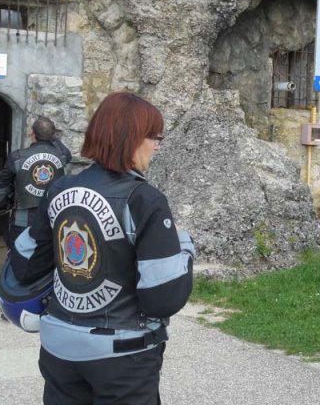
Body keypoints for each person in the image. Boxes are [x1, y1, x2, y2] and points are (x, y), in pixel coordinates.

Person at [10, 91, 194, 404]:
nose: (158, 145)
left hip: (59, 350)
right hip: (123, 357)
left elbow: (26, 266)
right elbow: (163, 299)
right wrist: (183, 243)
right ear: (132, 138)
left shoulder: (59, 188)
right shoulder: (144, 200)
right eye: (154, 136)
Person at [0, 116, 71, 248]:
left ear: (32, 133)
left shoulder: (17, 157)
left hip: (23, 220)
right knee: (48, 256)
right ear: (52, 135)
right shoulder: (62, 155)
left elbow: (0, 184)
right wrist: (50, 135)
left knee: (19, 256)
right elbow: (66, 153)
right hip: (52, 218)